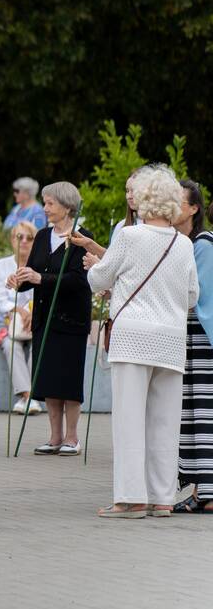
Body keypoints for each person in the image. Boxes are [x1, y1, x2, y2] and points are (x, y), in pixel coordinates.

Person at [85, 165, 197, 517]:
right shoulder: (183, 244)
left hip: (133, 337)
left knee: (130, 420)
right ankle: (163, 498)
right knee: (166, 423)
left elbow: (98, 277)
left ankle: (131, 498)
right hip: (171, 340)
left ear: (145, 198)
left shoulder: (129, 237)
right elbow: (192, 295)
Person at [8, 182, 93, 456]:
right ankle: (54, 437)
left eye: (50, 203)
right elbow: (32, 271)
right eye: (44, 203)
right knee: (49, 381)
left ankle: (72, 437)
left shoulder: (82, 237)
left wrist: (39, 278)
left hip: (71, 319)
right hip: (44, 318)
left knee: (68, 380)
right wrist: (19, 280)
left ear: (67, 206)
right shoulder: (43, 236)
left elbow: (79, 280)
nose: (45, 208)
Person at [173, 181, 213, 513]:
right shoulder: (184, 244)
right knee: (192, 414)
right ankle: (201, 489)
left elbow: (198, 298)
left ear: (193, 208)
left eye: (178, 201)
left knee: (203, 413)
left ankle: (207, 491)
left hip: (202, 341)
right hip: (189, 340)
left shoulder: (203, 243)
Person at [0, 222, 42, 414]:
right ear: (12, 239)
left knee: (38, 343)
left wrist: (32, 314)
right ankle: (28, 396)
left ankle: (28, 398)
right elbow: (0, 299)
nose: (24, 242)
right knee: (10, 344)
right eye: (19, 237)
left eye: (29, 238)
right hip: (7, 320)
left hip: (34, 319)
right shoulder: (2, 265)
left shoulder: (39, 266)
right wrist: (20, 311)